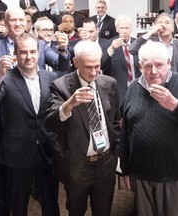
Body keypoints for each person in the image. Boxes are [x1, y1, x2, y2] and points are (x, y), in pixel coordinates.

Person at [120, 40, 178, 216]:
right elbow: (126, 132)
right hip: (142, 175)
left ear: (169, 63)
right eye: (148, 66)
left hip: (177, 176)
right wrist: (126, 169)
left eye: (159, 65)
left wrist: (175, 105)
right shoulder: (133, 88)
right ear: (140, 66)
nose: (153, 71)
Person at [0, 33, 59, 216]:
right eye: (23, 52)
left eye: (33, 51)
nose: (29, 56)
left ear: (39, 53)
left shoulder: (51, 77)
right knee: (18, 203)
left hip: (47, 150)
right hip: (17, 152)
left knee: (50, 201)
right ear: (15, 54)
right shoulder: (6, 79)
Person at [45, 40, 121, 216]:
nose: (94, 72)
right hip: (78, 166)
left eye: (97, 66)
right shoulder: (61, 86)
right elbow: (51, 123)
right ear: (76, 62)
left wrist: (114, 152)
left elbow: (116, 121)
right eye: (88, 67)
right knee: (76, 211)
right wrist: (69, 104)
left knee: (103, 211)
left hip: (105, 163)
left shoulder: (109, 83)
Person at [0, 7, 71, 72]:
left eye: (21, 20)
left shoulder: (40, 45)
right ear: (6, 22)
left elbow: (62, 66)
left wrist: (63, 50)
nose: (18, 24)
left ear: (25, 22)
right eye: (13, 20)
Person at [103, 14, 141, 109]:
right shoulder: (107, 44)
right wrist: (111, 49)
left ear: (131, 28)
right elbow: (102, 67)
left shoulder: (138, 43)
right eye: (121, 28)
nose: (124, 31)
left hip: (138, 88)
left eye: (127, 28)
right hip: (119, 92)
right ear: (117, 29)